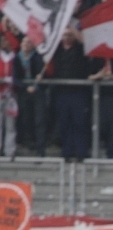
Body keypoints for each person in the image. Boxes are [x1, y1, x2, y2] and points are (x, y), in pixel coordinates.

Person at [51, 28, 92, 161]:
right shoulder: (57, 50)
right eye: (65, 35)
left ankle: (81, 152)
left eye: (70, 35)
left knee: (79, 123)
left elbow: (86, 43)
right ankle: (67, 152)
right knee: (64, 123)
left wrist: (73, 28)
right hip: (62, 92)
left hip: (78, 92)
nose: (67, 37)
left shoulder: (80, 49)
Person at [12, 36, 47, 156]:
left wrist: (40, 78)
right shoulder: (17, 58)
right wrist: (25, 87)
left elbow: (43, 72)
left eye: (29, 42)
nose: (26, 44)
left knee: (39, 120)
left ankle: (40, 150)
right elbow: (15, 78)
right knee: (26, 119)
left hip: (38, 92)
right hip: (24, 92)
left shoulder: (37, 57)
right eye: (24, 42)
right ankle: (29, 144)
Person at [0, 31, 16, 157]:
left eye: (7, 40)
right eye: (3, 40)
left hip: (11, 95)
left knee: (11, 125)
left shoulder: (14, 57)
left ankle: (9, 150)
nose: (5, 42)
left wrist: (11, 80)